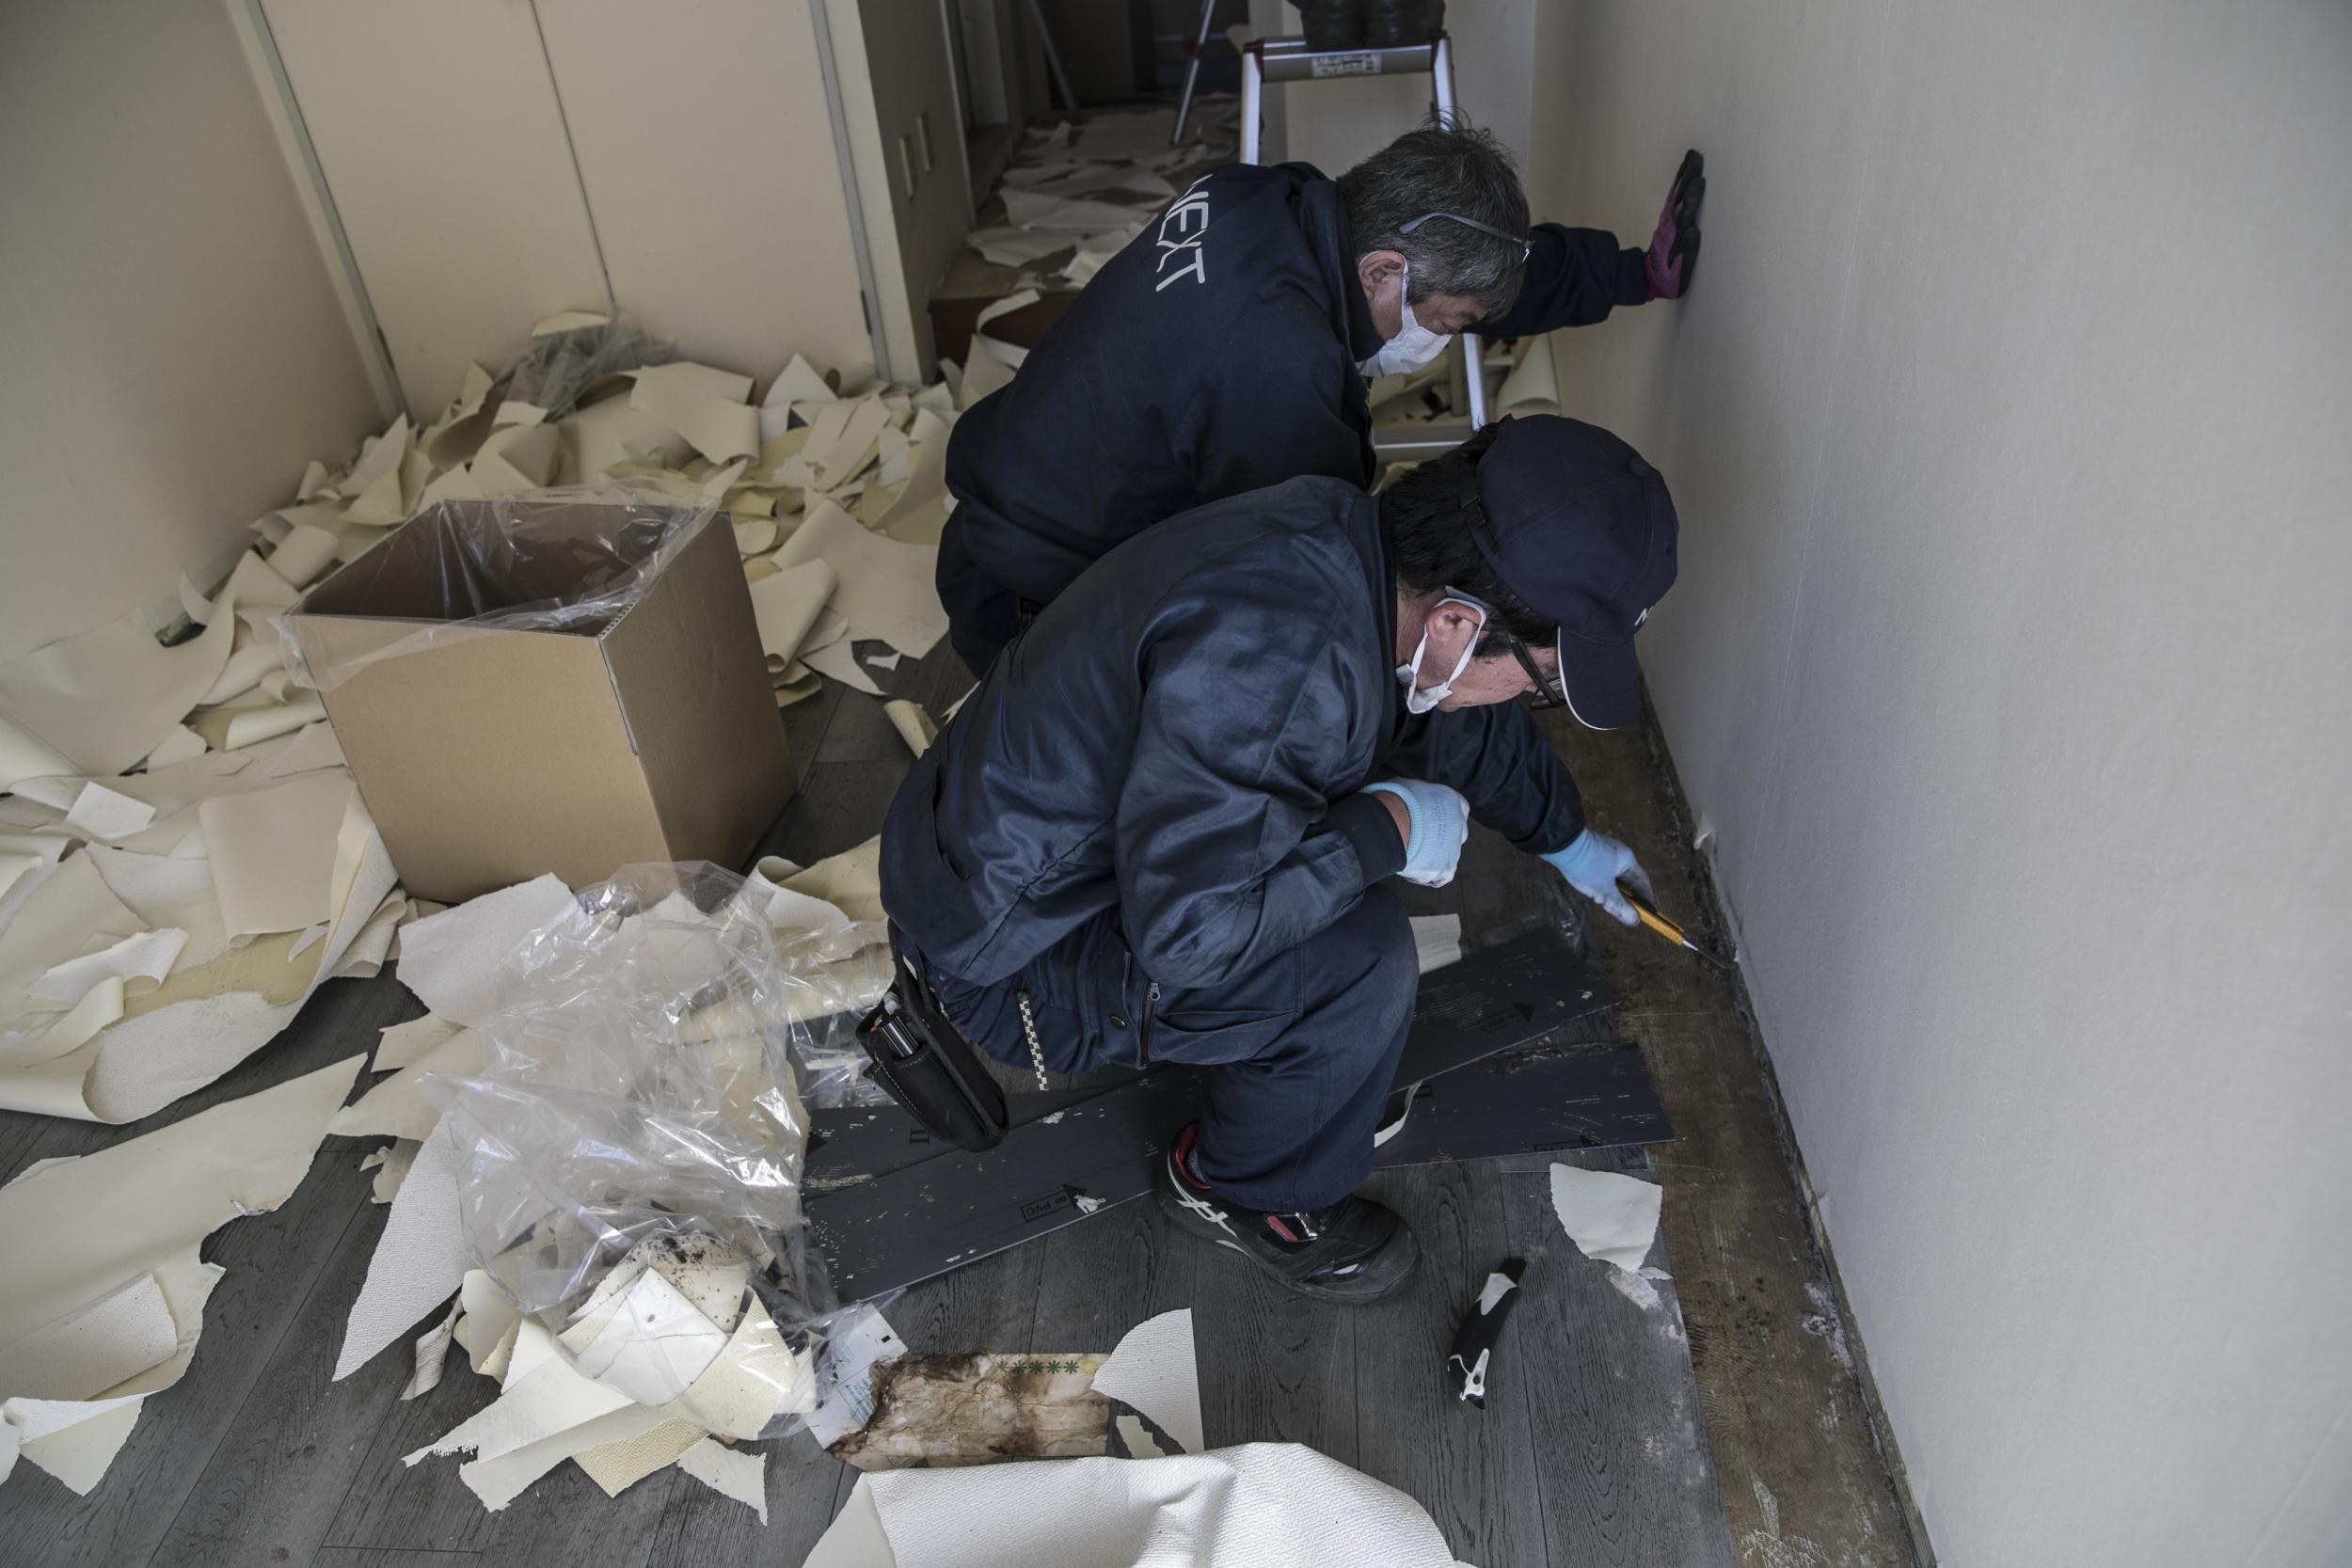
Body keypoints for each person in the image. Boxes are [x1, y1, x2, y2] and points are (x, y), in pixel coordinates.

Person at [879, 415, 1679, 1302]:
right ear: (1458, 622)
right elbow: (1190, 940)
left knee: (1374, 795)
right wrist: (1385, 829)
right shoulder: (1282, 670)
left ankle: (1300, 1088)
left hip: (996, 853)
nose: (1535, 697)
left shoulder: (1352, 547)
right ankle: (1243, 1188)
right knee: (1361, 963)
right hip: (1009, 956)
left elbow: (1456, 718)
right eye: (1544, 682)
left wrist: (1565, 837)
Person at [937, 120, 1706, 674]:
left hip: (1006, 497)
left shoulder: (1272, 197)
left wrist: (1630, 274)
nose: (1441, 340)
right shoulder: (1280, 367)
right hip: (1034, 604)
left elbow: (1479, 272)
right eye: (1445, 325)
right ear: (1380, 273)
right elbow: (1324, 569)